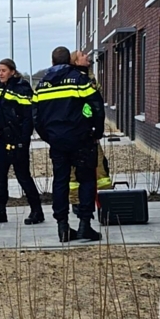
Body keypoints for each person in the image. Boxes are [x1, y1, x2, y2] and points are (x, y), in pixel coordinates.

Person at [33, 46, 106, 242]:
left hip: (57, 141)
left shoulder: (42, 85)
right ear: (70, 61)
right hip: (82, 139)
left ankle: (62, 227)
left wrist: (49, 137)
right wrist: (96, 132)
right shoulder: (79, 79)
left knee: (60, 181)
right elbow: (97, 106)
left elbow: (36, 117)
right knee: (86, 180)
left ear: (52, 62)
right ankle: (84, 225)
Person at [0, 58, 45, 226]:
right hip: (4, 138)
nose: (0, 74)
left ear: (12, 71)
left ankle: (37, 211)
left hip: (17, 139)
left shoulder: (22, 88)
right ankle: (0, 211)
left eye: (3, 70)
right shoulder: (1, 88)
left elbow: (28, 117)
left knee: (23, 176)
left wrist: (23, 141)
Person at [68, 51, 112, 215]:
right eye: (82, 55)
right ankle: (76, 202)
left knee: (100, 169)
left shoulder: (90, 78)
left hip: (89, 133)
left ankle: (105, 200)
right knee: (75, 171)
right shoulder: (75, 80)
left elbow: (96, 104)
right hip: (77, 133)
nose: (87, 56)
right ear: (75, 61)